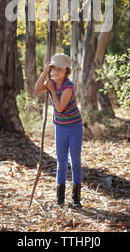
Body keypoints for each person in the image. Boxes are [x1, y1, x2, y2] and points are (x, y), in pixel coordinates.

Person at [34, 53, 83, 207]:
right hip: (60, 128)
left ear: (66, 71)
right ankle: (59, 199)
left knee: (75, 161)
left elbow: (60, 108)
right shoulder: (51, 82)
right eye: (53, 69)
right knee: (61, 163)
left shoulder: (68, 86)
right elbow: (36, 89)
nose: (56, 72)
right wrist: (44, 72)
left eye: (59, 70)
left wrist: (52, 90)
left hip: (74, 127)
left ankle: (76, 199)